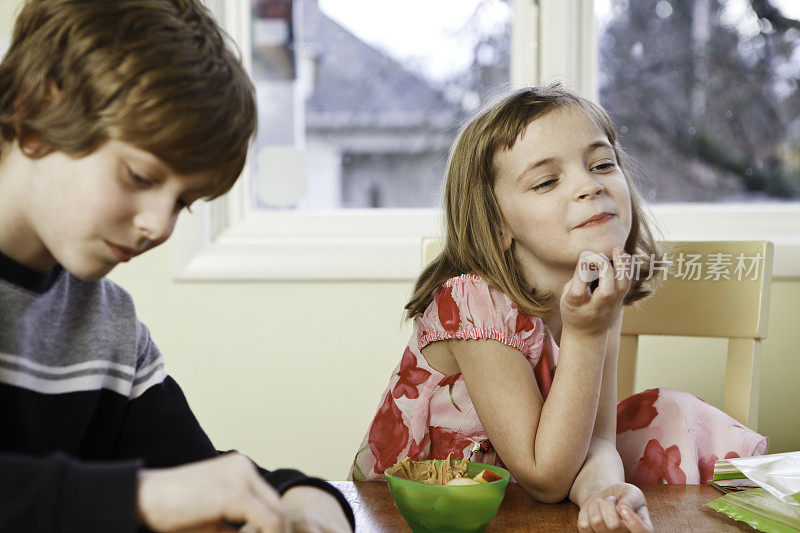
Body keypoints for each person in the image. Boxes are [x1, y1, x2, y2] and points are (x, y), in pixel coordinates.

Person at [0, 1, 353, 531]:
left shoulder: (109, 326)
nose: (159, 226)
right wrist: (141, 498)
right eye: (140, 177)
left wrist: (306, 499)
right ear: (34, 113)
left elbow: (198, 474)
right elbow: (161, 493)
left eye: (183, 202)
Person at [350, 85, 768, 532]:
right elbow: (545, 476)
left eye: (603, 164)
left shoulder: (598, 291)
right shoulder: (473, 302)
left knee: (670, 411)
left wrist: (602, 492)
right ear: (497, 226)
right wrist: (586, 335)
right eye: (547, 181)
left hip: (529, 515)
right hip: (429, 519)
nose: (590, 185)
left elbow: (597, 442)